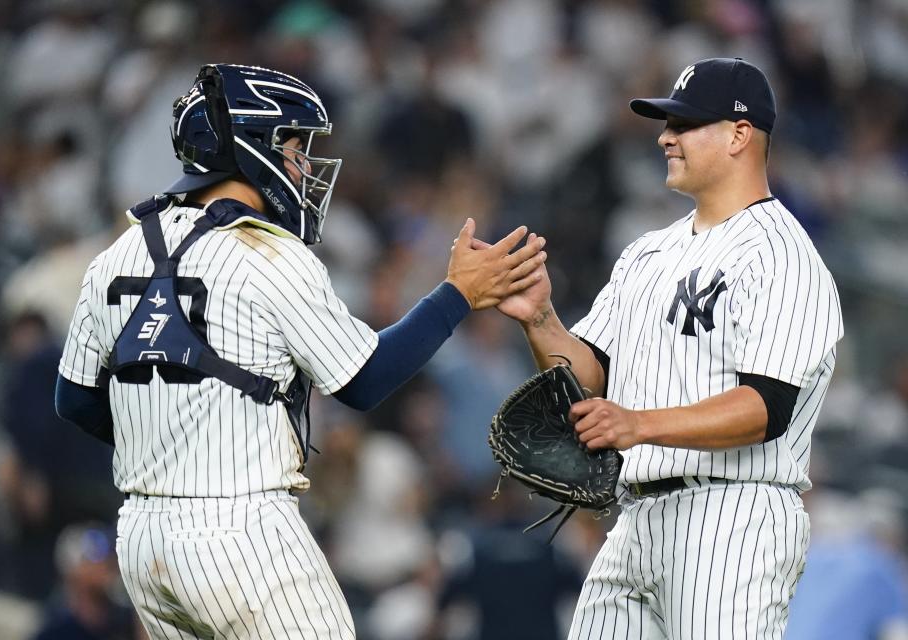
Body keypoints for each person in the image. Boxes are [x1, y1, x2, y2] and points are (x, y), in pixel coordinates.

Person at [55, 63, 546, 639]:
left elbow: (75, 400)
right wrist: (457, 295)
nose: (303, 163)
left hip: (140, 537)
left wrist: (173, 441)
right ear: (253, 146)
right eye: (293, 144)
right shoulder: (268, 254)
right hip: (240, 531)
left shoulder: (117, 253)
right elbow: (363, 381)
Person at [490, 58, 844, 639]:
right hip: (636, 518)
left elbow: (766, 408)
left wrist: (637, 424)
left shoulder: (782, 253)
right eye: (666, 125)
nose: (664, 137)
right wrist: (540, 320)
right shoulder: (647, 254)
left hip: (733, 519)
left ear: (738, 134)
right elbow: (589, 380)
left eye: (684, 125)